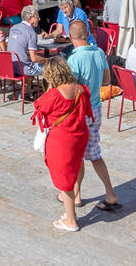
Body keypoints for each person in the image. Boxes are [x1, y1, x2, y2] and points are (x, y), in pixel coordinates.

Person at [32, 57, 92, 232]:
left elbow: (39, 107)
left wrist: (50, 89)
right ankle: (77, 194)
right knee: (76, 165)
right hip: (80, 135)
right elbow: (87, 110)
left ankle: (71, 220)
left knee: (64, 178)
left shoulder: (55, 94)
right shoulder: (81, 89)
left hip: (62, 140)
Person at [67, 20, 121, 211]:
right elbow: (107, 80)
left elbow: (70, 90)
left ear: (71, 36)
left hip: (81, 111)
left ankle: (91, 194)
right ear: (88, 33)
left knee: (84, 154)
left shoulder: (74, 59)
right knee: (86, 153)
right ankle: (83, 194)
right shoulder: (99, 52)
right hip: (96, 108)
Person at [7, 5, 46, 85]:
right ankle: (48, 92)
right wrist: (48, 61)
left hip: (10, 67)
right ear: (30, 18)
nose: (39, 19)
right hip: (24, 69)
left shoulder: (13, 28)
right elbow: (34, 58)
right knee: (52, 68)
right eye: (37, 16)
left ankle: (22, 90)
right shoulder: (31, 33)